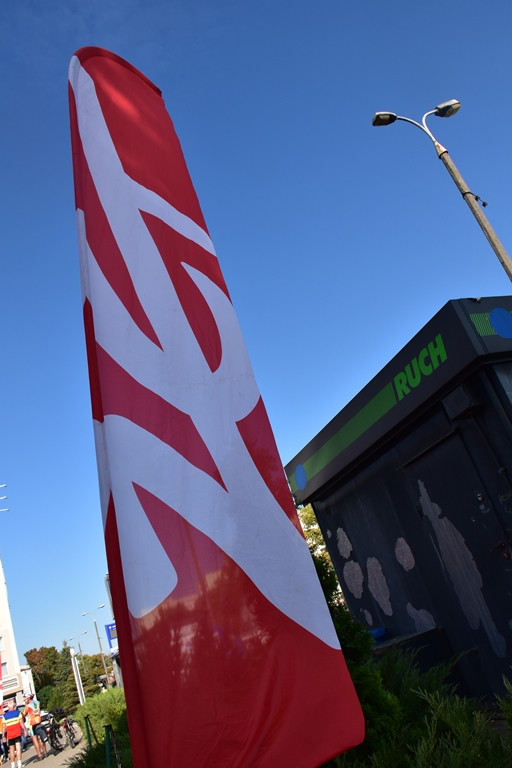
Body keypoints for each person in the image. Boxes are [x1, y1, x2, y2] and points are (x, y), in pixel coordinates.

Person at [1, 698, 26, 768]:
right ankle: (19, 764)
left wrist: (3, 736)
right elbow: (21, 723)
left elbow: (3, 727)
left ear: (8, 707)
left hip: (10, 735)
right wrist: (25, 730)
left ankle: (12, 765)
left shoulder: (5, 716)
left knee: (11, 750)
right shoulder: (18, 713)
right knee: (18, 748)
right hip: (17, 733)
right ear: (13, 706)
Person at [22, 693, 47, 761]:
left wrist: (26, 705)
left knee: (35, 739)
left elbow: (24, 714)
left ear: (28, 698)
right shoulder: (37, 702)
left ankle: (39, 755)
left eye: (25, 698)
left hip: (32, 723)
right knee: (40, 737)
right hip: (38, 720)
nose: (24, 700)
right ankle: (45, 752)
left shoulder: (28, 706)